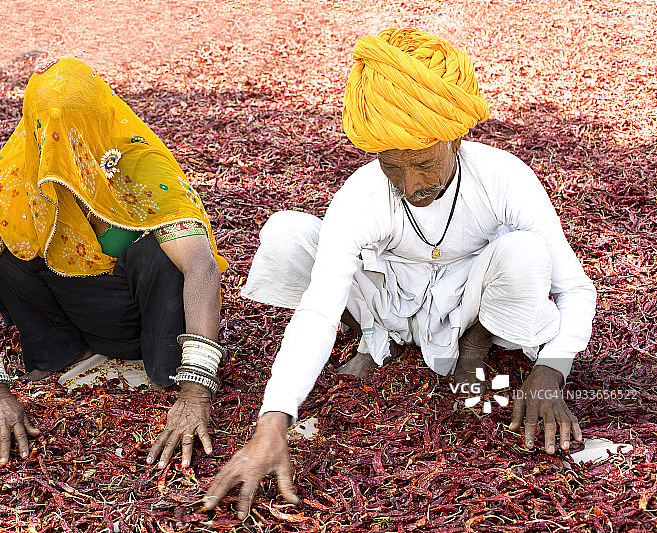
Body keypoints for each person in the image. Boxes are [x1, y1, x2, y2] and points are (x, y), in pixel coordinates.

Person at [202, 28, 597, 519]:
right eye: (393, 166)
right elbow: (318, 309)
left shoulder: (504, 177)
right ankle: (369, 337)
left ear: (456, 138)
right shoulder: (360, 197)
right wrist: (273, 420)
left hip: (467, 296)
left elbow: (575, 289)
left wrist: (550, 370)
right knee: (286, 232)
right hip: (386, 294)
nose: (412, 185)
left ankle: (476, 343)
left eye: (426, 164)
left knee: (523, 252)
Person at [0, 58, 229, 469]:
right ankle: (59, 353)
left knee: (162, 254)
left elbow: (201, 268)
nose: (62, 148)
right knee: (2, 250)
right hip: (68, 311)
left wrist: (197, 393)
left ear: (100, 121)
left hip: (144, 318)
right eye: (50, 135)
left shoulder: (139, 166)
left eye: (76, 133)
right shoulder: (16, 179)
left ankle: (167, 368)